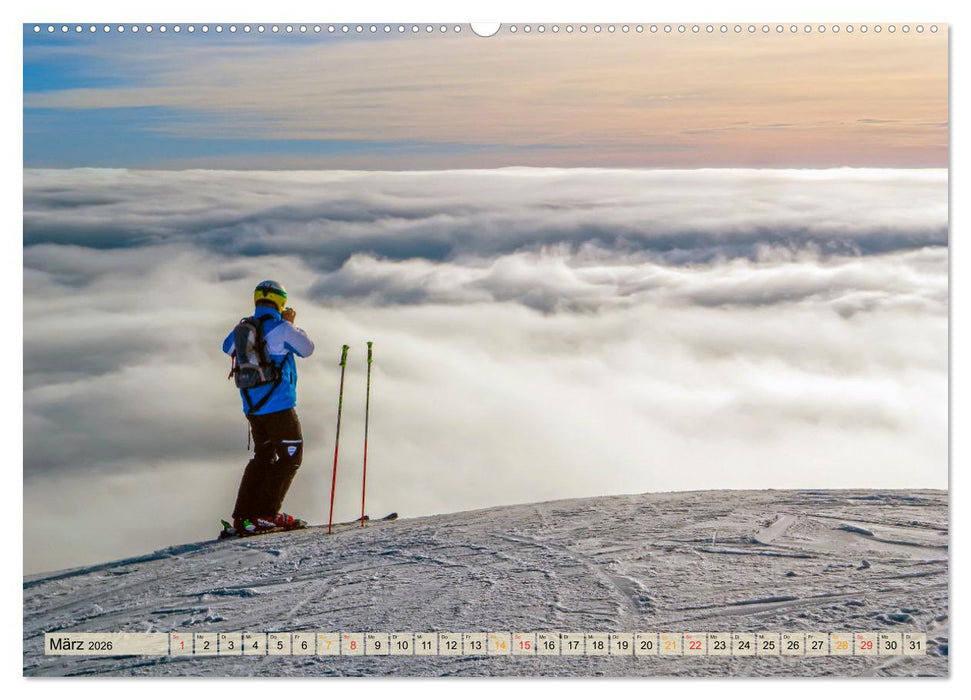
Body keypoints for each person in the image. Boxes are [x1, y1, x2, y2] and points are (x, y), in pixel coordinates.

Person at [223, 280, 315, 533]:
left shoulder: (244, 328)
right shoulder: (281, 328)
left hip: (252, 407)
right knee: (291, 458)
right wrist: (290, 324)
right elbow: (307, 350)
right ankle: (265, 514)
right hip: (279, 406)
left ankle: (244, 516)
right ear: (280, 302)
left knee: (263, 456)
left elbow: (226, 347)